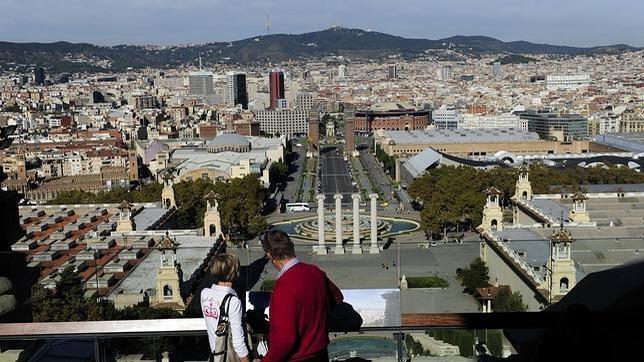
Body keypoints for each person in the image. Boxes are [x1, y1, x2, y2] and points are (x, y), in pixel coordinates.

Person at [261, 230, 343, 362]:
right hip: (321, 353)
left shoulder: (284, 286)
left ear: (270, 255)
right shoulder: (316, 272)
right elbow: (338, 297)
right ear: (291, 248)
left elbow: (284, 341)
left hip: (298, 357)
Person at [201, 254, 250, 362]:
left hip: (215, 354)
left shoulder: (204, 294)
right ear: (234, 273)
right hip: (228, 356)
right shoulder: (233, 302)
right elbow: (238, 341)